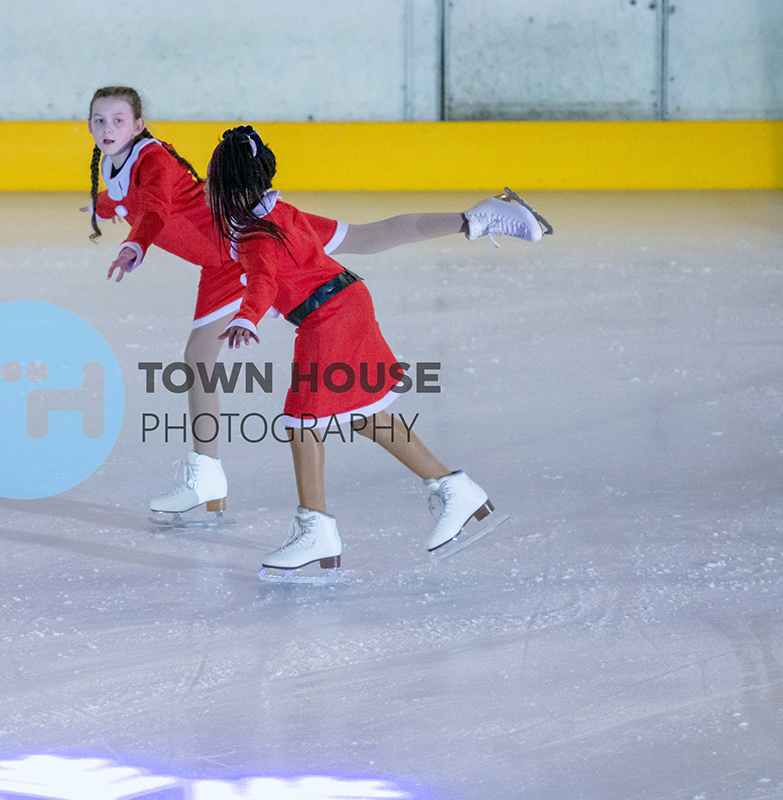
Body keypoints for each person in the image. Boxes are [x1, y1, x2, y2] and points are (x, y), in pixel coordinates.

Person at [84, 87, 546, 526]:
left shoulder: (154, 160)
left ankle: (212, 479)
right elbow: (135, 200)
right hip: (233, 248)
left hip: (239, 248)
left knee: (204, 359)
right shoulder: (116, 163)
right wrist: (105, 207)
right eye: (99, 119)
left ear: (139, 124)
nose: (108, 127)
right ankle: (476, 219)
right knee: (361, 240)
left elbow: (157, 211)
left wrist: (136, 245)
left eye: (118, 119)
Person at [206, 125, 549, 576]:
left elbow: (266, 281)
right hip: (348, 302)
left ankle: (316, 531)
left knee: (302, 420)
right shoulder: (282, 213)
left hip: (327, 317)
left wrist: (246, 317)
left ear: (225, 190)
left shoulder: (254, 234)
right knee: (363, 415)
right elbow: (365, 238)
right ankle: (454, 490)